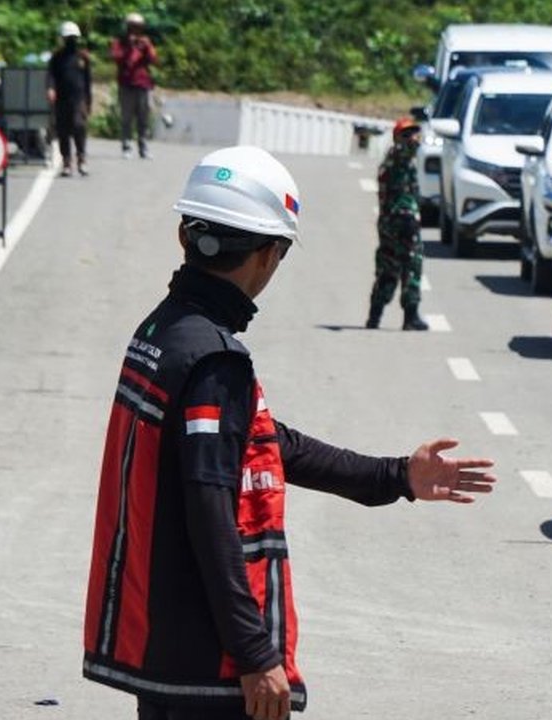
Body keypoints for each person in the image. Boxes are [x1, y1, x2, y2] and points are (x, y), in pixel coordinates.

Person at [83, 145, 496, 720]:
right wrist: (256, 654)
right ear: (267, 254)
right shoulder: (213, 359)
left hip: (165, 648)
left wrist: (395, 475)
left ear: (187, 238)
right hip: (209, 662)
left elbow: (266, 442)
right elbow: (210, 512)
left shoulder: (165, 330)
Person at [366, 117, 428, 331]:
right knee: (408, 266)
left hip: (393, 222)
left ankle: (376, 316)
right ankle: (408, 317)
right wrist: (411, 141)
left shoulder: (399, 159)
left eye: (414, 133)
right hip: (401, 221)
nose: (413, 138)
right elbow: (409, 148)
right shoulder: (399, 157)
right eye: (407, 134)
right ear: (398, 138)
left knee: (390, 267)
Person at [46, 21, 91, 177]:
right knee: (63, 130)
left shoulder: (82, 57)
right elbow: (51, 75)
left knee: (79, 127)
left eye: (73, 38)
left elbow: (87, 80)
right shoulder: (57, 57)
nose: (71, 40)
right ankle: (66, 162)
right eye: (68, 38)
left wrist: (88, 102)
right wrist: (51, 88)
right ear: (63, 39)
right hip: (62, 99)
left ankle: (82, 159)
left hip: (79, 99)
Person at [110, 11, 157, 159]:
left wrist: (146, 47)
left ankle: (143, 147)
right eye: (133, 27)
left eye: (138, 27)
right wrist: (130, 48)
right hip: (126, 84)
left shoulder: (145, 42)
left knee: (143, 117)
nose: (135, 30)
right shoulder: (120, 42)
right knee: (126, 118)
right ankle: (126, 146)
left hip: (143, 84)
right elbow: (116, 57)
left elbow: (153, 59)